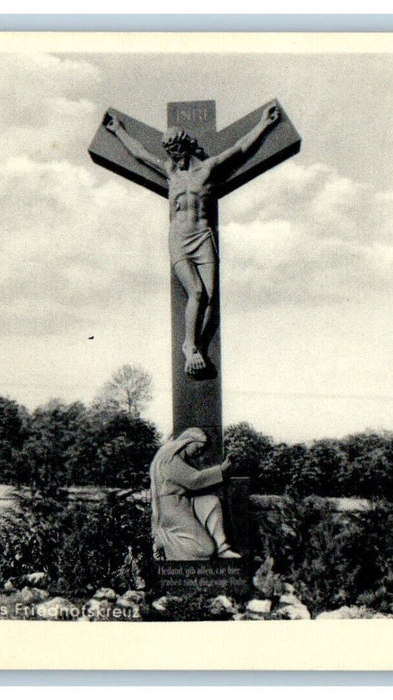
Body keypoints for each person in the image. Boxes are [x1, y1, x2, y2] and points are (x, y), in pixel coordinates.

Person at [104, 105, 280, 375]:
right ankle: (190, 346)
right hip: (179, 237)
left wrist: (264, 125)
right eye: (169, 153)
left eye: (176, 151)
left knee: (211, 299)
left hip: (203, 236)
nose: (173, 157)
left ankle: (200, 346)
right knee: (196, 291)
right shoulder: (170, 173)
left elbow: (241, 148)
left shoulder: (209, 169)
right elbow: (140, 154)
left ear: (185, 147)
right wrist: (118, 131)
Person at [149, 427, 240, 560]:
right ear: (187, 442)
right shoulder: (169, 460)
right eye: (198, 447)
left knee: (212, 502)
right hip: (172, 508)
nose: (199, 452)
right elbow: (194, 481)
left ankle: (222, 548)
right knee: (206, 549)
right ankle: (164, 540)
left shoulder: (177, 459)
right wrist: (221, 469)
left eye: (202, 450)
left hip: (184, 502)